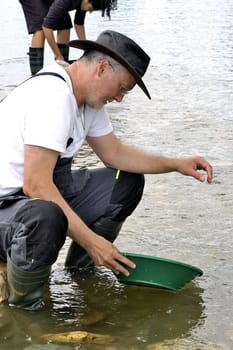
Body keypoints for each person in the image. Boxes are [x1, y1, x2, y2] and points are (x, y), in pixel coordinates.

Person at [0, 30, 213, 311]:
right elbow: (37, 186)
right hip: (9, 206)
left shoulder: (86, 99)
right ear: (102, 68)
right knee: (45, 214)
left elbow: (115, 154)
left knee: (126, 181)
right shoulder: (53, 97)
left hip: (30, 199)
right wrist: (93, 242)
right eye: (123, 88)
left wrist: (176, 164)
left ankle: (80, 273)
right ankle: (26, 309)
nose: (120, 98)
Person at [18, 0, 117, 75]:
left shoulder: (83, 3)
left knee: (65, 24)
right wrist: (58, 55)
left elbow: (78, 24)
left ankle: (61, 67)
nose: (90, 12)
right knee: (40, 28)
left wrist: (87, 49)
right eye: (91, 9)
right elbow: (47, 27)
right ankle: (36, 74)